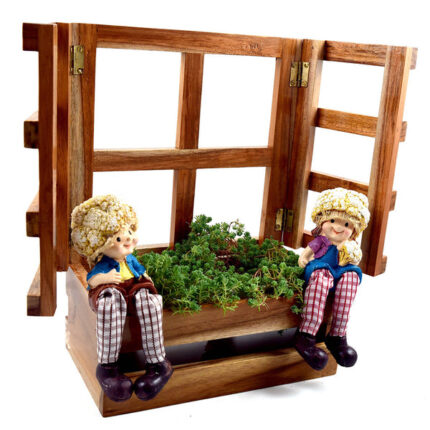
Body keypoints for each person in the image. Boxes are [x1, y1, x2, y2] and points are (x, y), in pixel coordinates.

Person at [71, 195, 173, 402]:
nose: (128, 240)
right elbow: (91, 280)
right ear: (102, 246)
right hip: (115, 289)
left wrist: (146, 278)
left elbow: (139, 270)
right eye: (119, 239)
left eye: (129, 233)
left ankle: (158, 364)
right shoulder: (104, 263)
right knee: (109, 304)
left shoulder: (130, 258)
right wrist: (105, 278)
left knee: (148, 302)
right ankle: (108, 367)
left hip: (134, 288)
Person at [294, 188, 370, 371]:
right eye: (333, 221)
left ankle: (337, 335)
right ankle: (306, 335)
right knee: (321, 279)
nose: (338, 227)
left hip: (340, 270)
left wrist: (350, 254)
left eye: (346, 224)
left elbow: (354, 259)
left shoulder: (349, 245)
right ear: (322, 220)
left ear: (353, 230)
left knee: (351, 277)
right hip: (320, 267)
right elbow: (308, 252)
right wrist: (303, 258)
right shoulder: (321, 241)